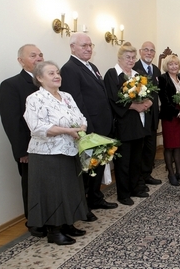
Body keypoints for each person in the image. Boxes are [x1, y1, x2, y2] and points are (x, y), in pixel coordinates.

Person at [24, 61, 88, 245]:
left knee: (69, 188)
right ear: (39, 78)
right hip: (47, 153)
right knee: (53, 192)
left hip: (70, 150)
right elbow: (36, 127)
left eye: (58, 72)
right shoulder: (35, 99)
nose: (57, 76)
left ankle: (67, 223)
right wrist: (67, 131)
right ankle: (54, 231)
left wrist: (82, 126)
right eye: (51, 73)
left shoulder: (66, 96)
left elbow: (80, 116)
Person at [60, 32, 118, 217]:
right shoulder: (69, 69)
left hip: (103, 124)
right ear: (72, 48)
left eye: (90, 45)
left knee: (97, 166)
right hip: (90, 128)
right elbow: (76, 102)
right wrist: (89, 129)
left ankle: (95, 197)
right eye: (83, 45)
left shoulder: (91, 66)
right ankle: (84, 206)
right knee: (88, 169)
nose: (88, 48)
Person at [0, 44, 44, 237]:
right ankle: (34, 222)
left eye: (40, 55)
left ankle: (51, 218)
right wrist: (21, 151)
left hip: (52, 145)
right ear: (21, 61)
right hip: (29, 148)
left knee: (49, 184)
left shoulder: (49, 82)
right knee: (32, 185)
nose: (39, 58)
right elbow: (12, 121)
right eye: (33, 55)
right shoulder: (11, 85)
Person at [104, 42, 152, 206]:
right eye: (127, 57)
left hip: (138, 122)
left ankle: (135, 188)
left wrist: (148, 102)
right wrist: (134, 106)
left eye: (133, 57)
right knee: (123, 161)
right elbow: (113, 99)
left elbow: (148, 92)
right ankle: (123, 194)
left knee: (136, 159)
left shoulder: (137, 74)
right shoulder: (112, 74)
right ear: (119, 58)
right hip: (123, 123)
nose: (131, 60)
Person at [158, 55, 180, 186]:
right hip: (170, 117)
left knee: (178, 146)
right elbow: (165, 101)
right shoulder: (163, 78)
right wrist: (179, 113)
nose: (174, 66)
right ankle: (171, 174)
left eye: (176, 64)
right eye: (171, 64)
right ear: (166, 66)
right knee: (169, 146)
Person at [132, 41, 162, 188]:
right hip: (140, 115)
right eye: (146, 50)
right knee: (140, 149)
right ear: (140, 51)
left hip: (153, 116)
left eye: (152, 50)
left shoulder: (156, 70)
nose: (149, 53)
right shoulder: (134, 69)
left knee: (151, 148)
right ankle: (138, 179)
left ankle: (147, 174)